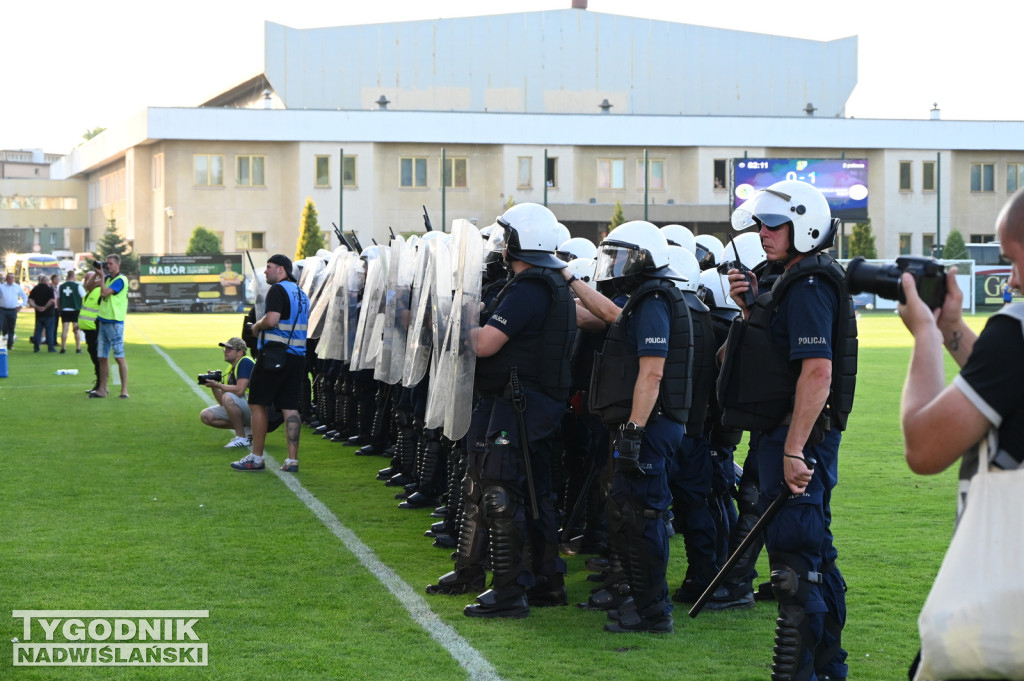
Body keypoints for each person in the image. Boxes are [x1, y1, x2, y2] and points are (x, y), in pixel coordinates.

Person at [719, 180, 857, 681]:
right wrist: (751, 310)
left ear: (805, 225)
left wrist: (794, 450)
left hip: (798, 441)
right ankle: (826, 669)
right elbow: (776, 358)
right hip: (787, 437)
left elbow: (817, 372)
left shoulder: (809, 285)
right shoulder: (791, 282)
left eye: (773, 225)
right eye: (759, 224)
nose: (762, 233)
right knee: (810, 558)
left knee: (796, 568)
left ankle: (804, 674)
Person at [899, 189, 1024, 681]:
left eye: (1015, 259)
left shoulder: (1015, 334)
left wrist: (927, 337)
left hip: (1001, 624)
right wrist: (954, 329)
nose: (1013, 279)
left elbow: (923, 448)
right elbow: (1007, 393)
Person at [568, 220, 691, 634]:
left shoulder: (655, 300)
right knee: (627, 517)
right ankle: (641, 604)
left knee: (643, 519)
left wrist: (635, 431)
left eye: (622, 256)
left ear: (644, 260)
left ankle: (653, 613)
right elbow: (609, 317)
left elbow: (652, 373)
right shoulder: (644, 300)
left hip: (649, 429)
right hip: (642, 427)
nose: (615, 265)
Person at [457, 203, 576, 619]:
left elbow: (487, 343)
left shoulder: (530, 287)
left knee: (500, 491)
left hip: (520, 405)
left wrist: (455, 326)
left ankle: (509, 591)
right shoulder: (550, 284)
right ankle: (547, 581)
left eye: (507, 239)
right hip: (531, 404)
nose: (502, 247)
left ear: (521, 243)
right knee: (535, 492)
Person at [231, 254, 309, 473]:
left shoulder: (278, 290)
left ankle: (256, 457)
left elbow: (273, 320)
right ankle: (292, 460)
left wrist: (256, 326)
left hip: (274, 356)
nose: (265, 271)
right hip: (297, 357)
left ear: (281, 270)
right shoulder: (301, 293)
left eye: (269, 267)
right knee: (290, 408)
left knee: (257, 403)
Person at [201, 337, 256, 448]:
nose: (225, 351)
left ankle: (241, 437)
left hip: (257, 408)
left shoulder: (245, 362)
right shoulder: (230, 369)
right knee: (206, 416)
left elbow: (240, 391)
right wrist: (214, 385)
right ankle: (246, 428)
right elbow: (223, 402)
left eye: (230, 349)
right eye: (225, 349)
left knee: (228, 396)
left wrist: (218, 385)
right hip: (245, 407)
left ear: (240, 352)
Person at [90, 254, 130, 398]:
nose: (108, 266)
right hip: (103, 321)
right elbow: (88, 286)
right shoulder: (107, 278)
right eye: (106, 263)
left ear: (118, 265)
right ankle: (102, 389)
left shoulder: (121, 280)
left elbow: (105, 293)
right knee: (102, 357)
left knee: (119, 357)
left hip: (115, 323)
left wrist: (102, 278)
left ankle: (124, 391)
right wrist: (97, 275)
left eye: (110, 263)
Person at [79, 271, 103, 393]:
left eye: (90, 279)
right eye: (86, 279)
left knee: (98, 358)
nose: (87, 282)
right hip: (88, 330)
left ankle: (101, 386)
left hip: (95, 330)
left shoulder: (99, 291)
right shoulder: (88, 293)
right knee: (94, 357)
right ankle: (99, 384)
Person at [58, 270, 85, 354]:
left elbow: (59, 298)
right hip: (75, 310)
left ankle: (63, 348)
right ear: (73, 276)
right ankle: (78, 348)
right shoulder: (78, 286)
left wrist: (60, 308)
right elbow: (84, 296)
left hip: (65, 309)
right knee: (76, 330)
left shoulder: (61, 286)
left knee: (64, 330)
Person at [28, 274, 57, 353]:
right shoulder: (49, 289)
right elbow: (52, 300)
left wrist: (36, 306)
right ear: (47, 281)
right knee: (49, 332)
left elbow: (30, 300)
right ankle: (51, 348)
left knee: (38, 331)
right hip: (49, 314)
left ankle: (36, 347)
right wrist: (45, 307)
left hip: (39, 314)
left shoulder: (35, 289)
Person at [0, 271, 29, 349]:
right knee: (1, 326)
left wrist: (21, 306)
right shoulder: (2, 287)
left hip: (13, 310)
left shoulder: (17, 287)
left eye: (12, 278)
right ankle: (1, 343)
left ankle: (10, 345)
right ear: (6, 278)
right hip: (2, 310)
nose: (10, 279)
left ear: (14, 279)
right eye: (9, 277)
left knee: (11, 328)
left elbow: (25, 297)